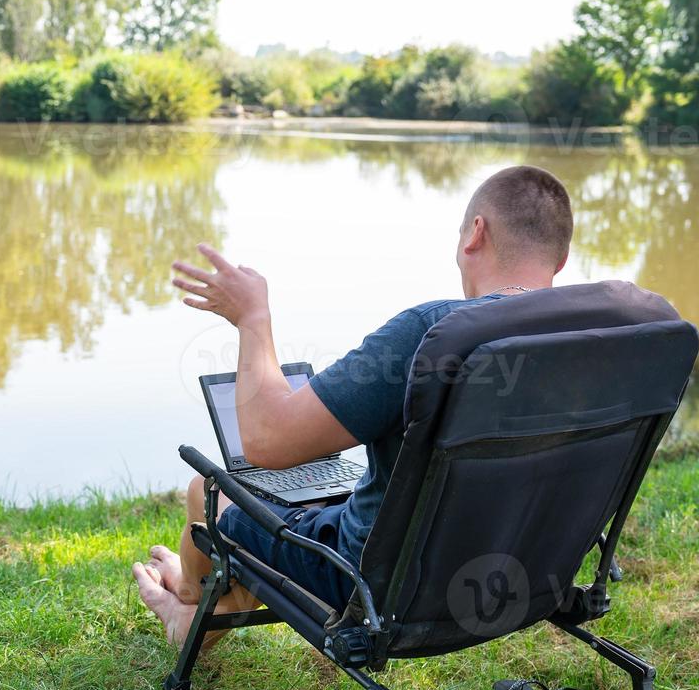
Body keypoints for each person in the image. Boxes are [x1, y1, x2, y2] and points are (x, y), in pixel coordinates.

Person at [135, 165, 575, 645]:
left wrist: (252, 318)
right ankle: (201, 607)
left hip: (378, 589)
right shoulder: (596, 340)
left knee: (208, 491)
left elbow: (264, 440)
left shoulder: (432, 334)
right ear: (562, 256)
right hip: (520, 577)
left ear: (475, 233)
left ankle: (186, 597)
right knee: (319, 498)